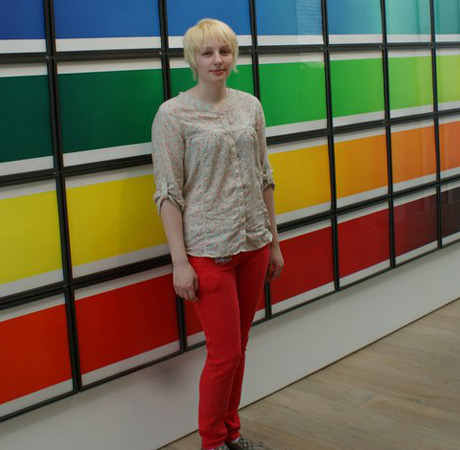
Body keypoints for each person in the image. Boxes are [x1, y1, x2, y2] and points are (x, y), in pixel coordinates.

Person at [151, 18, 284, 450]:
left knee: (239, 349)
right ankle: (212, 443)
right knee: (224, 354)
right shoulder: (172, 115)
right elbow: (168, 193)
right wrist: (179, 263)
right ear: (192, 59)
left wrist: (274, 242)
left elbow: (264, 176)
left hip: (254, 243)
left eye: (224, 51)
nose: (217, 60)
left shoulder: (250, 106)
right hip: (209, 251)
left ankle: (231, 433)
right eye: (207, 52)